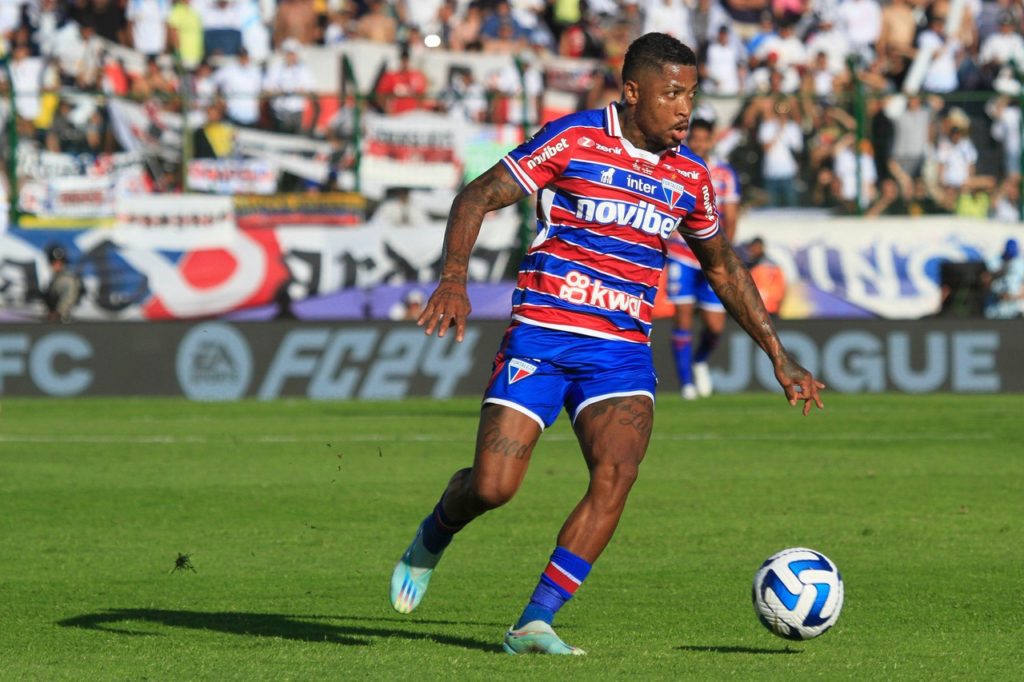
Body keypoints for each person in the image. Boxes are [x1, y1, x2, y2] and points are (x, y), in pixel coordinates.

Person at [388, 32, 825, 656]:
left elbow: (722, 266)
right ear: (632, 92)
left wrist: (777, 354)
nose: (685, 108)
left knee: (616, 473)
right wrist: (453, 280)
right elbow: (478, 196)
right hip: (541, 338)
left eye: (691, 95)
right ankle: (436, 531)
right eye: (672, 93)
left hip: (618, 352)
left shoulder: (690, 178)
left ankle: (534, 622)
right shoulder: (573, 140)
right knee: (493, 487)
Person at [665, 117, 739, 400]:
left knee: (715, 325)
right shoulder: (674, 168)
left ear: (711, 141)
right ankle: (686, 384)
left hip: (710, 255)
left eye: (703, 139)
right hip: (682, 254)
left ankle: (700, 361)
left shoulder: (724, 174)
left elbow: (731, 216)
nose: (698, 143)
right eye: (693, 138)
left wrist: (723, 252)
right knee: (682, 318)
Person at [741, 236, 786, 317]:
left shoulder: (763, 266)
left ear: (760, 247)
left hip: (765, 308)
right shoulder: (753, 264)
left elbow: (780, 289)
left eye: (754, 247)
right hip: (763, 308)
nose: (751, 250)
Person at [44, 245, 82, 323]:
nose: (57, 265)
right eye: (54, 262)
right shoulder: (55, 278)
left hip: (65, 319)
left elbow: (68, 298)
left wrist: (58, 313)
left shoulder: (66, 279)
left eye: (60, 263)